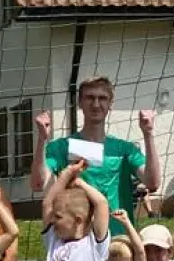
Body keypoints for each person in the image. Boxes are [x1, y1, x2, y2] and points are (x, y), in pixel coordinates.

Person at [28, 76, 160, 234]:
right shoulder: (61, 147)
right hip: (77, 240)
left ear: (110, 104)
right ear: (79, 102)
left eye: (102, 98)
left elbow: (153, 184)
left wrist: (148, 134)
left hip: (118, 240)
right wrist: (42, 139)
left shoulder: (125, 149)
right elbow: (37, 184)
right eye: (90, 97)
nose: (96, 104)